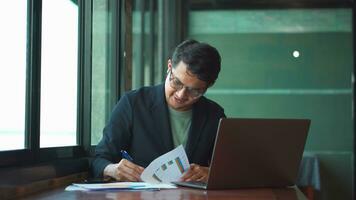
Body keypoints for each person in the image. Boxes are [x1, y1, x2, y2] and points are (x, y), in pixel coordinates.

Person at [92, 39, 226, 183]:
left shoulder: (214, 114)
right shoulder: (134, 103)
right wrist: (112, 169)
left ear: (208, 86)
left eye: (195, 91)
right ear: (169, 67)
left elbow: (229, 166)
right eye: (177, 82)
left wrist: (211, 173)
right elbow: (99, 159)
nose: (181, 95)